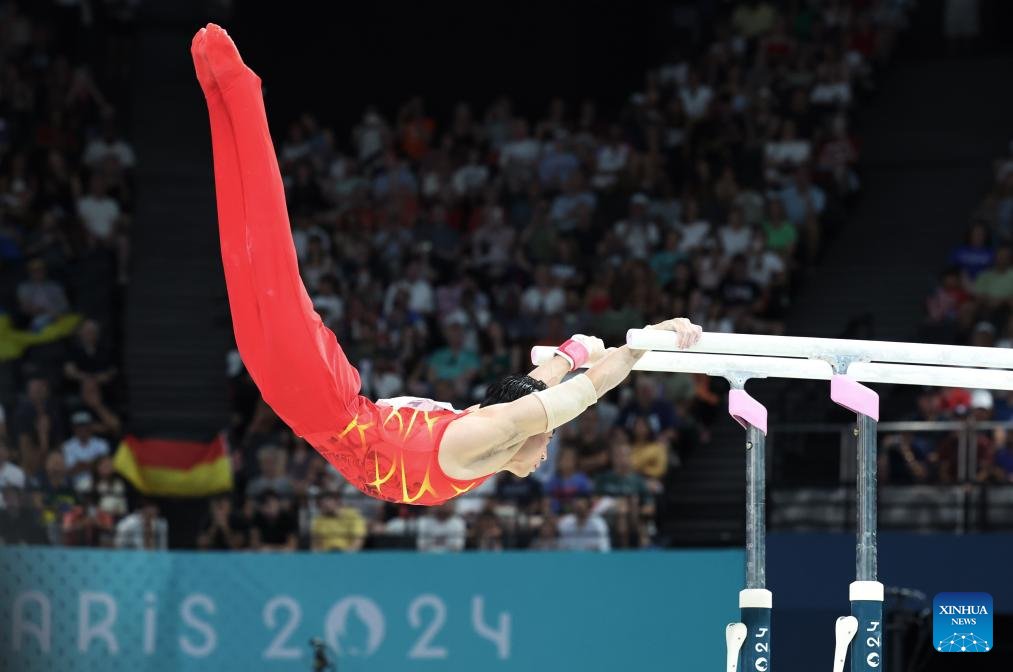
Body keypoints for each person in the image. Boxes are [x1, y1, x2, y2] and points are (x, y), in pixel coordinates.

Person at [190, 25, 702, 509]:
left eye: (545, 440)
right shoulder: (477, 438)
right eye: (546, 441)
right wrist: (637, 342)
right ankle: (237, 87)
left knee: (243, 255)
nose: (547, 452)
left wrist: (606, 350)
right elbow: (544, 397)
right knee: (264, 254)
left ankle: (219, 96)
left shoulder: (494, 430)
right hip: (324, 402)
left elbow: (574, 396)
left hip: (316, 408)